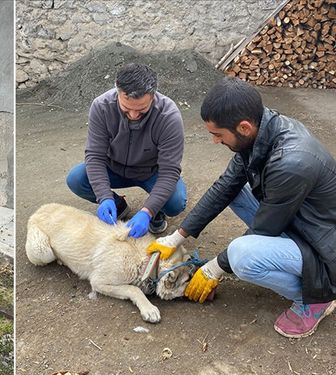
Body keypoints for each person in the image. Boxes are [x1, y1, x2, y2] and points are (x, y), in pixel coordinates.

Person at [148, 77, 336, 338]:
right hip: (302, 222)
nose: (214, 141)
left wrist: (215, 267)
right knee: (234, 192)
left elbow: (265, 228)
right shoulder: (263, 133)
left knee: (241, 255)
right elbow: (224, 187)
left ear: (244, 127)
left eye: (217, 135)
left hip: (325, 250)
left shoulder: (292, 162)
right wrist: (176, 237)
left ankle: (317, 298)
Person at [66, 63, 187, 238]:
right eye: (126, 108)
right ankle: (117, 205)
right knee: (76, 179)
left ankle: (155, 212)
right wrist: (104, 197)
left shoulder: (168, 116)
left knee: (175, 202)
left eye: (141, 109)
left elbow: (169, 171)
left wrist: (148, 210)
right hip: (113, 168)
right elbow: (95, 156)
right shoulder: (101, 107)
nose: (133, 115)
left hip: (151, 172)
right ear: (117, 91)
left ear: (153, 96)